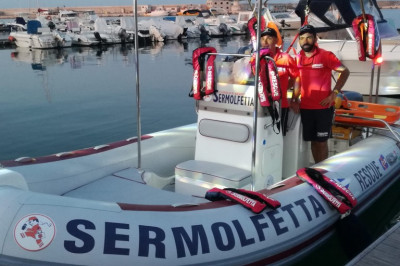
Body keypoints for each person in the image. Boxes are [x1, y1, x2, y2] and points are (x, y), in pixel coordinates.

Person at [291, 24, 350, 163]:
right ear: (299, 41)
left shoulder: (325, 56)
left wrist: (334, 93)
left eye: (309, 38)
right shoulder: (298, 58)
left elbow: (345, 71)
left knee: (321, 142)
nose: (305, 41)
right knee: (313, 141)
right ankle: (317, 168)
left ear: (315, 39)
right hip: (305, 107)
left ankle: (323, 171)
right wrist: (294, 98)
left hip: (323, 108)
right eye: (302, 38)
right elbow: (297, 80)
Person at [260, 24, 299, 135]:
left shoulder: (285, 59)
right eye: (263, 39)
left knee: (278, 137)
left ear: (276, 40)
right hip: (262, 106)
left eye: (269, 38)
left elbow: (296, 78)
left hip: (281, 106)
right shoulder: (258, 58)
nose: (265, 42)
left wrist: (294, 99)